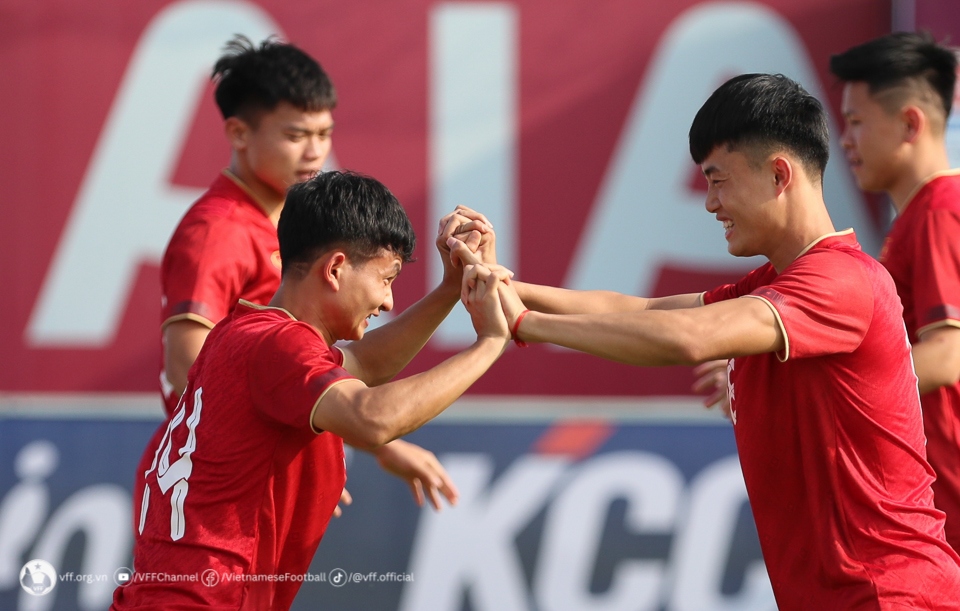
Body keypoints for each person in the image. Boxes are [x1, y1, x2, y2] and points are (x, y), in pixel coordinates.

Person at [454, 73, 960, 608]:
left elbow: (689, 338)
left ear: (779, 174)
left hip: (892, 597)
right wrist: (502, 284)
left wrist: (522, 325)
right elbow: (643, 309)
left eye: (718, 181)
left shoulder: (840, 280)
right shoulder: (780, 282)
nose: (711, 204)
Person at [112, 171, 511, 610]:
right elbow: (371, 417)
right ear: (336, 269)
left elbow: (369, 365)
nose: (388, 302)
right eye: (387, 279)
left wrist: (451, 290)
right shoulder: (279, 343)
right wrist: (490, 343)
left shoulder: (246, 332)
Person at [153, 35, 457, 511]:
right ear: (238, 134)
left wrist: (380, 444)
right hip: (206, 493)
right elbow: (187, 366)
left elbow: (325, 370)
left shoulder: (288, 222)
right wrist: (268, 452)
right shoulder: (219, 232)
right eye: (296, 136)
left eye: (324, 133)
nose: (314, 152)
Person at [829, 31, 960, 551]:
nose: (845, 139)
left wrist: (826, 387)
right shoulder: (922, 217)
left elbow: (948, 355)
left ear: (910, 123)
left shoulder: (940, 211)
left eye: (856, 121)